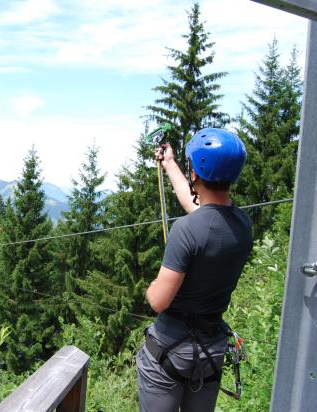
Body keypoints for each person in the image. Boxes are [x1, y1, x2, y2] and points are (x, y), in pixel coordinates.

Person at [137, 128, 253, 412]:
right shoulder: (241, 224)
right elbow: (201, 210)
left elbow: (158, 301)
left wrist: (151, 285)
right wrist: (170, 164)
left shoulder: (186, 230)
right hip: (210, 352)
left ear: (196, 173)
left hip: (169, 350)